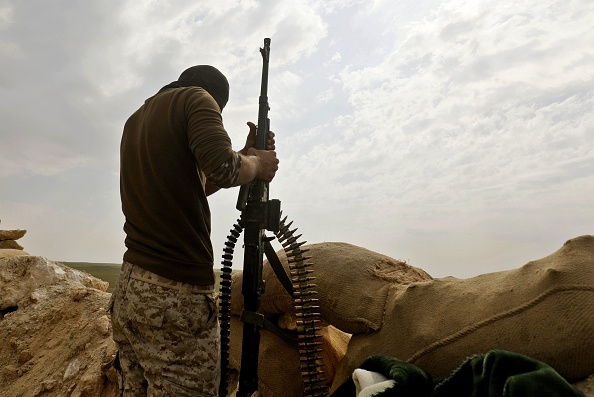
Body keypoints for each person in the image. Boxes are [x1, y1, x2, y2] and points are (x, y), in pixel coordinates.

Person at [110, 65, 279, 396]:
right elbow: (224, 168)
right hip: (173, 295)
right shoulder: (197, 99)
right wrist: (258, 164)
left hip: (131, 289)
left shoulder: (137, 120)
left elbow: (194, 185)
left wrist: (244, 155)